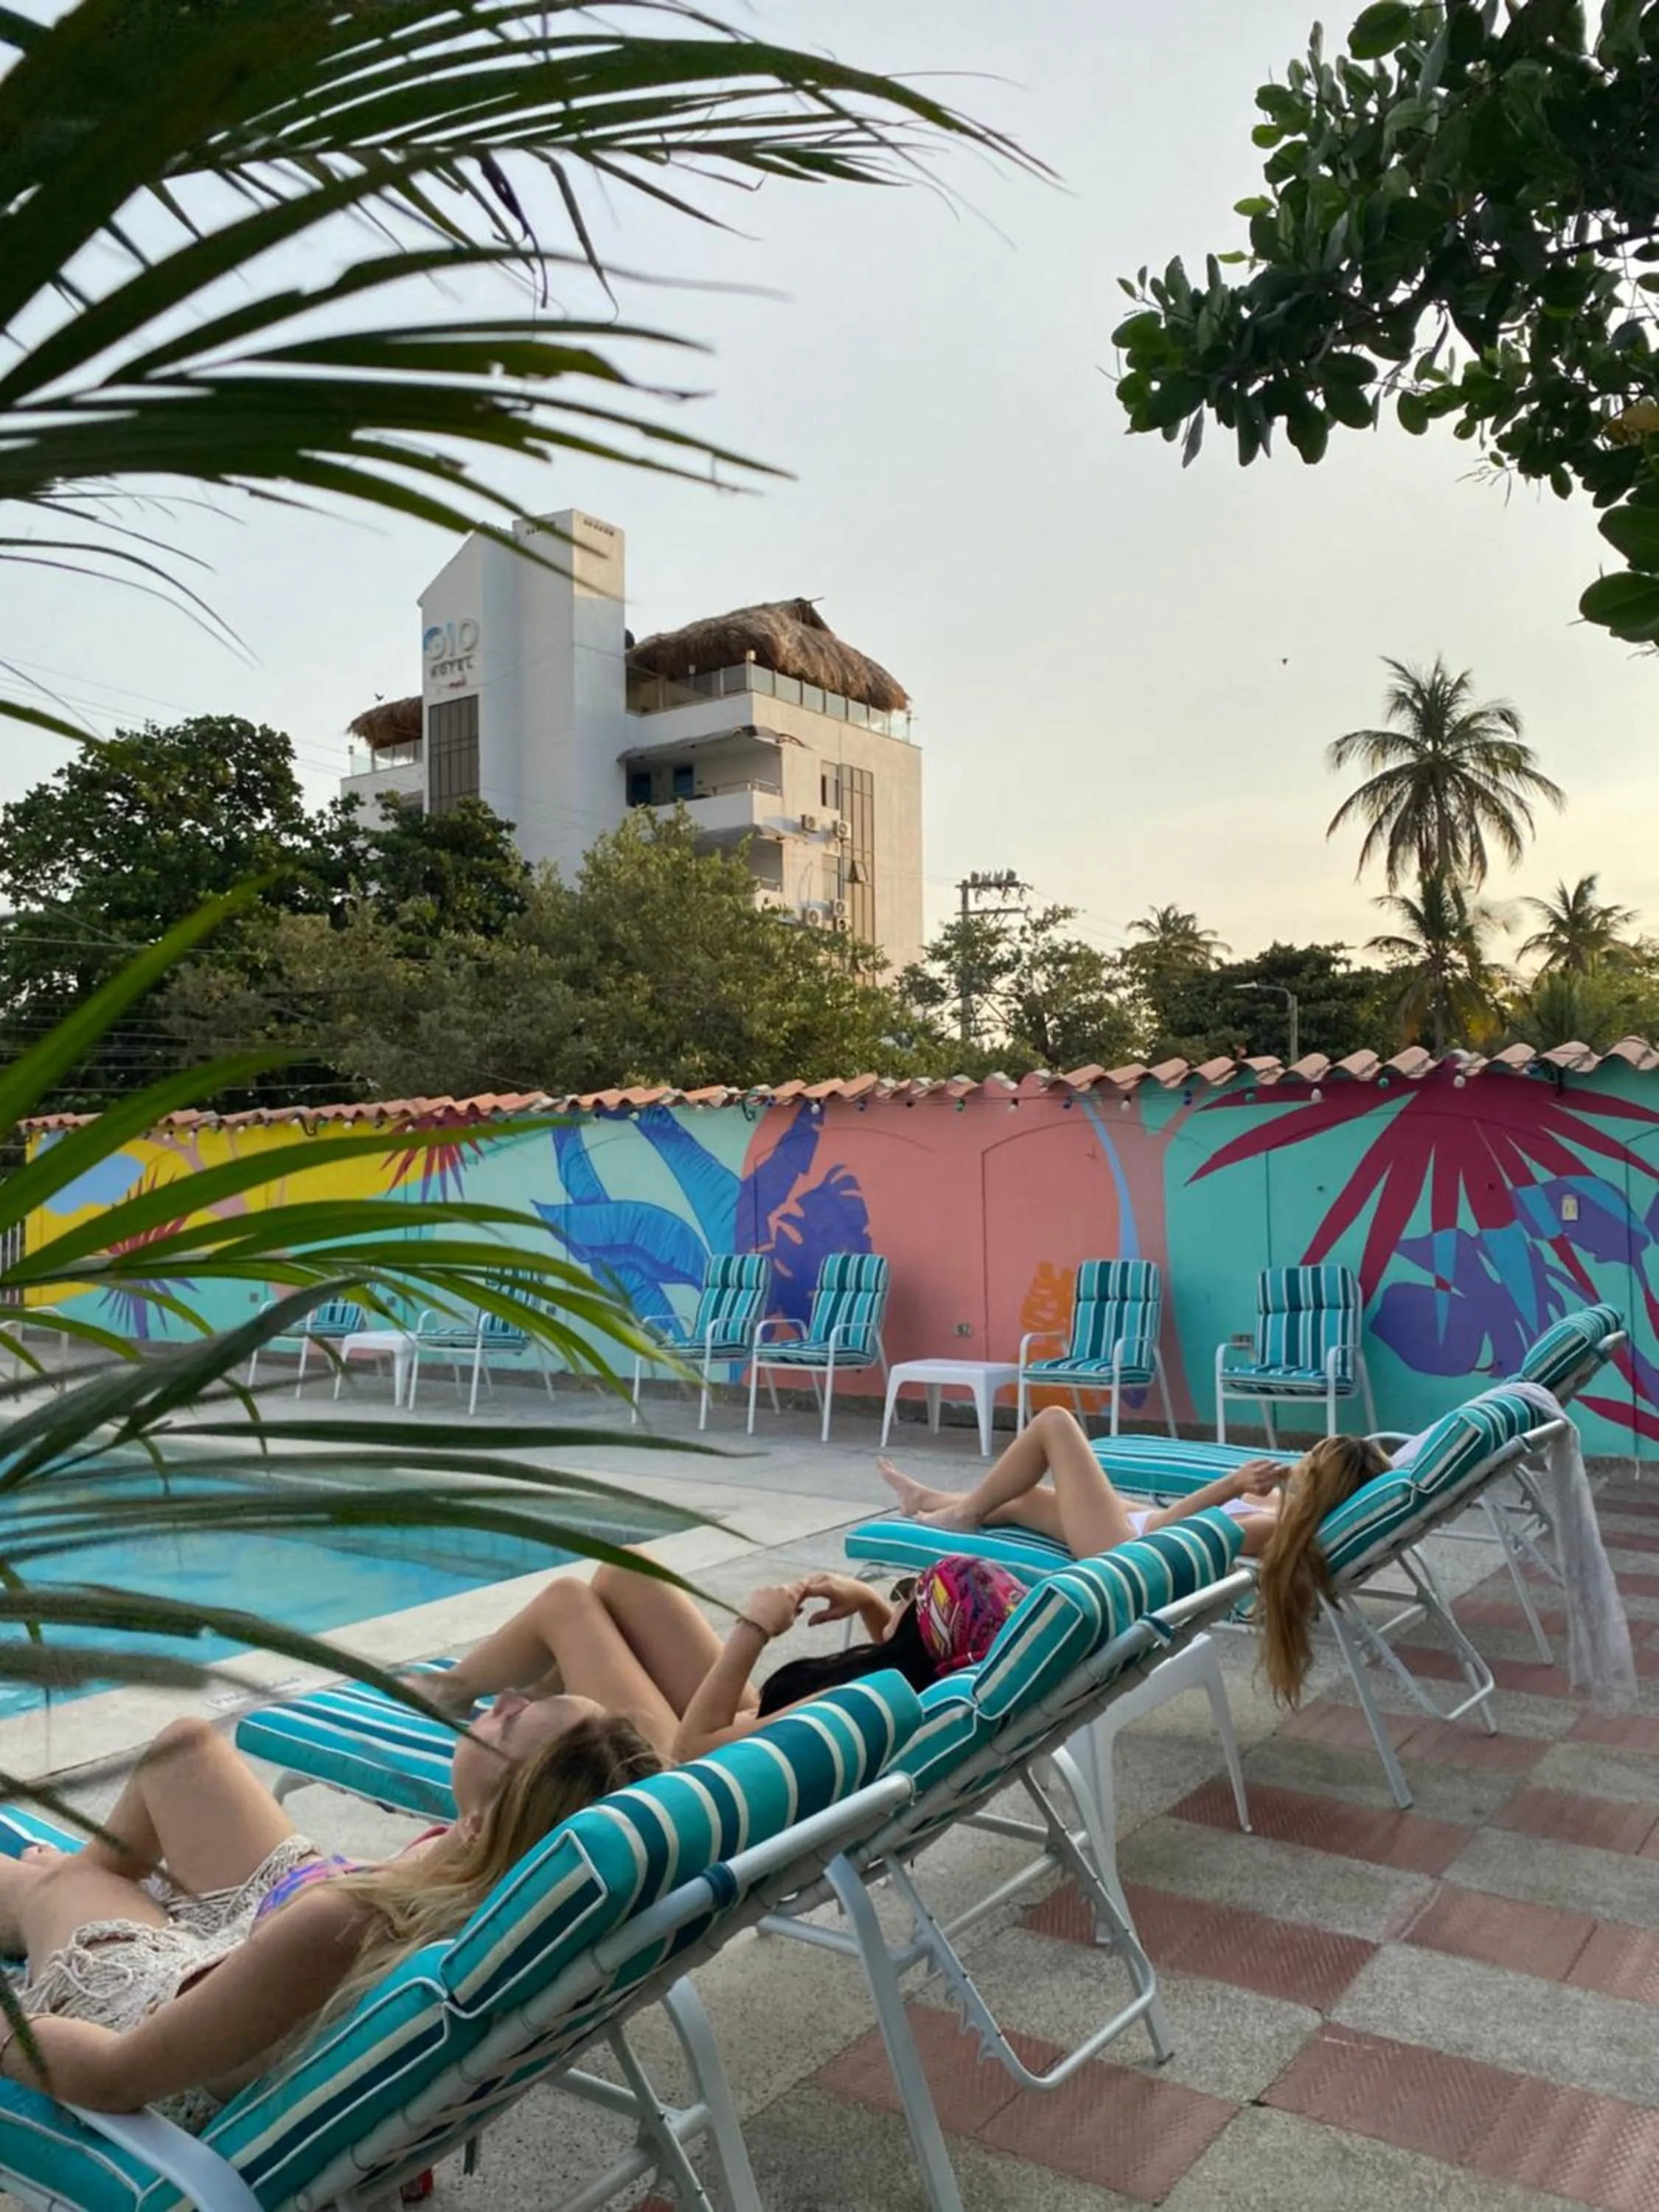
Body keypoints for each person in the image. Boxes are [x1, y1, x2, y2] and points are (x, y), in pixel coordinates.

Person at [0, 1694, 659, 2127]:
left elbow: (114, 2078)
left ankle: (59, 1891)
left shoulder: (345, 1925)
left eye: (513, 1719)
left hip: (157, 2024)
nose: (509, 1696)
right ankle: (76, 1882)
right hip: (273, 1941)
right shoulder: (491, 1893)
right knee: (186, 1749)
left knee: (48, 1890)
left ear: (485, 1825)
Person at [875, 1402, 1389, 1705]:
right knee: (1023, 1498)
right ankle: (926, 1500)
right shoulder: (1279, 1505)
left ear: (1322, 1482)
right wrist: (1240, 1487)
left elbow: (1171, 1531)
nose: (1299, 1457)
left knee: (1055, 1424)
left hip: (1128, 1550)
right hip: (1137, 1525)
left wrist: (1232, 1485)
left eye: (1310, 1458)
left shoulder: (1274, 1526)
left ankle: (961, 1514)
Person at [406, 1550, 1026, 1766]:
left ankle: (455, 1693)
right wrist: (866, 1599)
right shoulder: (914, 1682)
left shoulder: (853, 1704)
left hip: (681, 1773)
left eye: (910, 1594)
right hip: (754, 1731)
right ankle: (538, 1706)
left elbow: (692, 1747)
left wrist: (753, 1630)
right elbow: (909, 1657)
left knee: (569, 1604)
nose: (899, 1594)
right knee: (626, 1574)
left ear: (922, 1630)